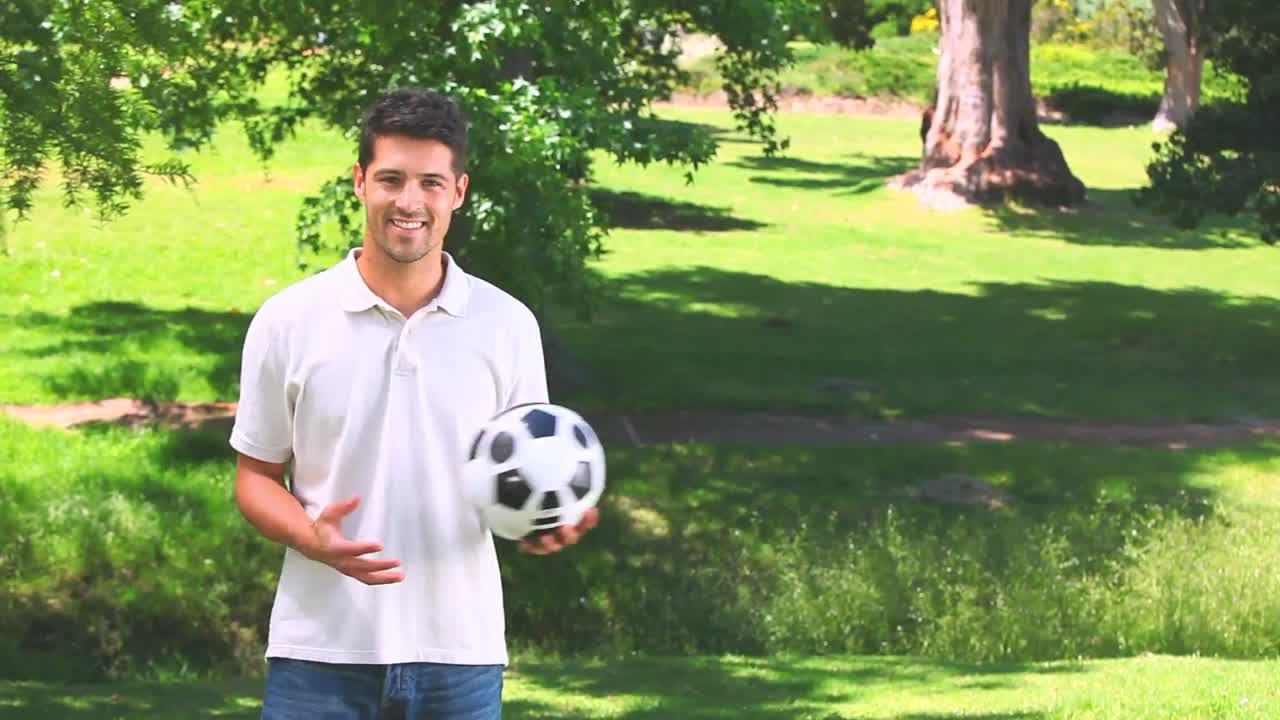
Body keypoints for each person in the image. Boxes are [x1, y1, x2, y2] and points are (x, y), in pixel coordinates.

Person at [231, 88, 598, 720]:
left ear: (457, 191)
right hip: (319, 651)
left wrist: (543, 522)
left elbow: (525, 475)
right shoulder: (288, 320)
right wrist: (310, 537)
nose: (409, 201)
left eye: (430, 182)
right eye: (391, 179)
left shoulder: (507, 325)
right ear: (360, 182)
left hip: (460, 654)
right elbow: (255, 477)